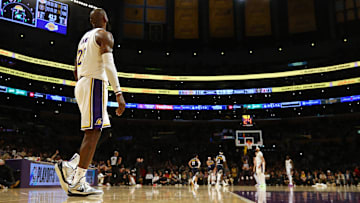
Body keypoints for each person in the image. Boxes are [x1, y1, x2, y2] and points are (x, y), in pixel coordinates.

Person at [55, 8, 126, 196]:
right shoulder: (105, 34)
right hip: (94, 83)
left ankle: (71, 165)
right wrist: (118, 93)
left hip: (83, 83)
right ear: (105, 19)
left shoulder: (84, 39)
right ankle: (77, 182)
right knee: (93, 132)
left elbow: (75, 71)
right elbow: (109, 65)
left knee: (103, 131)